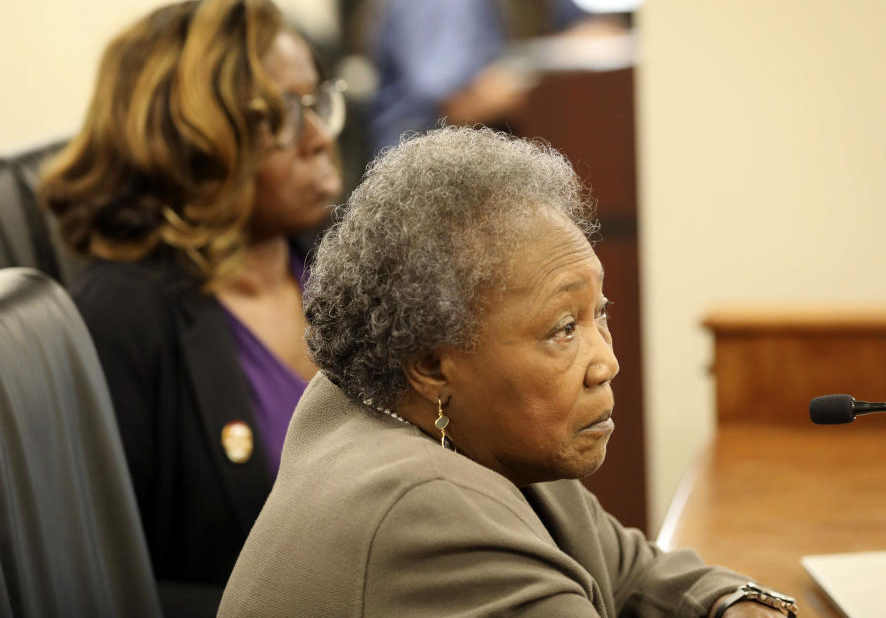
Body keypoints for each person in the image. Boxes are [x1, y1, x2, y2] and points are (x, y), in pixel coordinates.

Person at [217, 127, 798, 617]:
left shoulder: (469, 430)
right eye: (563, 330)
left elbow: (628, 568)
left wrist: (732, 602)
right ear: (429, 364)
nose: (607, 363)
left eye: (599, 314)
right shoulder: (425, 508)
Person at [38, 0, 344, 616]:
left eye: (317, 104)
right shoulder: (118, 318)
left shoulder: (336, 266)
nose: (317, 138)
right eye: (282, 114)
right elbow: (98, 590)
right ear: (186, 136)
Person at [365, 0, 621, 153]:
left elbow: (600, 32)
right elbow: (460, 106)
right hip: (427, 172)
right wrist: (545, 76)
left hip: (499, 152)